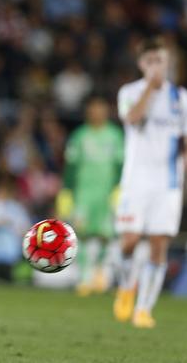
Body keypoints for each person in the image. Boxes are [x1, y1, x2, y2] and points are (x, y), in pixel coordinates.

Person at [113, 37, 187, 328]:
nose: (156, 66)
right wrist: (150, 89)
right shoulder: (130, 91)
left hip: (168, 183)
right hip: (135, 181)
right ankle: (127, 286)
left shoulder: (181, 97)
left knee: (158, 246)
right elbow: (132, 118)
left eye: (160, 61)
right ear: (141, 64)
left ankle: (144, 309)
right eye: (150, 61)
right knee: (128, 242)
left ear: (168, 63)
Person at [57, 96, 124, 296]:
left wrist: (120, 189)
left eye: (101, 108)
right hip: (83, 194)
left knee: (106, 235)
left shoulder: (115, 135)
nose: (97, 112)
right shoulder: (79, 136)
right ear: (88, 111)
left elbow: (121, 165)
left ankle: (99, 274)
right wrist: (66, 191)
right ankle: (84, 277)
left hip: (107, 194)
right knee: (82, 234)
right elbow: (70, 166)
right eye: (93, 108)